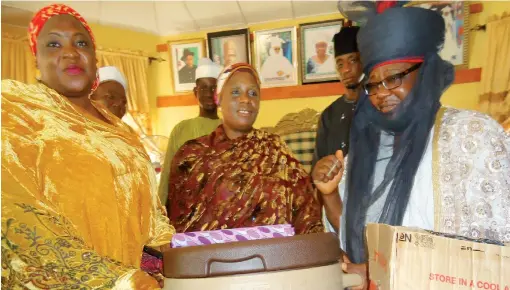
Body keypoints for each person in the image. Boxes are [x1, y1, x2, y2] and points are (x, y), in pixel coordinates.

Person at [313, 5, 510, 289]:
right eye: (373, 84)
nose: (381, 94)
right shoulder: (369, 152)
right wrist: (330, 196)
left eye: (394, 78)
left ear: (425, 70)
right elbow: (353, 240)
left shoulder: (473, 136)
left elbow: (493, 261)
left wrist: (382, 274)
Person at [1, 4, 174, 288]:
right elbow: (14, 215)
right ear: (36, 59)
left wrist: (175, 253)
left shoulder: (123, 132)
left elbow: (151, 215)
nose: (70, 52)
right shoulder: (15, 109)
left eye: (80, 43)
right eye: (54, 44)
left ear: (94, 58)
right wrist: (114, 279)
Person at [167, 63, 324, 234]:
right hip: (211, 258)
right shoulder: (191, 155)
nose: (245, 99)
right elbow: (178, 225)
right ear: (218, 99)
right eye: (235, 92)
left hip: (274, 256)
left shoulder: (276, 150)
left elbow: (307, 212)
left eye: (253, 93)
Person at [311, 26, 363, 233]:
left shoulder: (378, 106)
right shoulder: (329, 115)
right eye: (340, 64)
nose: (346, 70)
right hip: (334, 205)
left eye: (353, 61)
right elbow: (316, 172)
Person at [158, 58, 223, 204]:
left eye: (213, 88)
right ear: (195, 91)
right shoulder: (181, 129)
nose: (208, 93)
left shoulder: (229, 128)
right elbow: (167, 174)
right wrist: (160, 212)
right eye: (204, 88)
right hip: (185, 209)